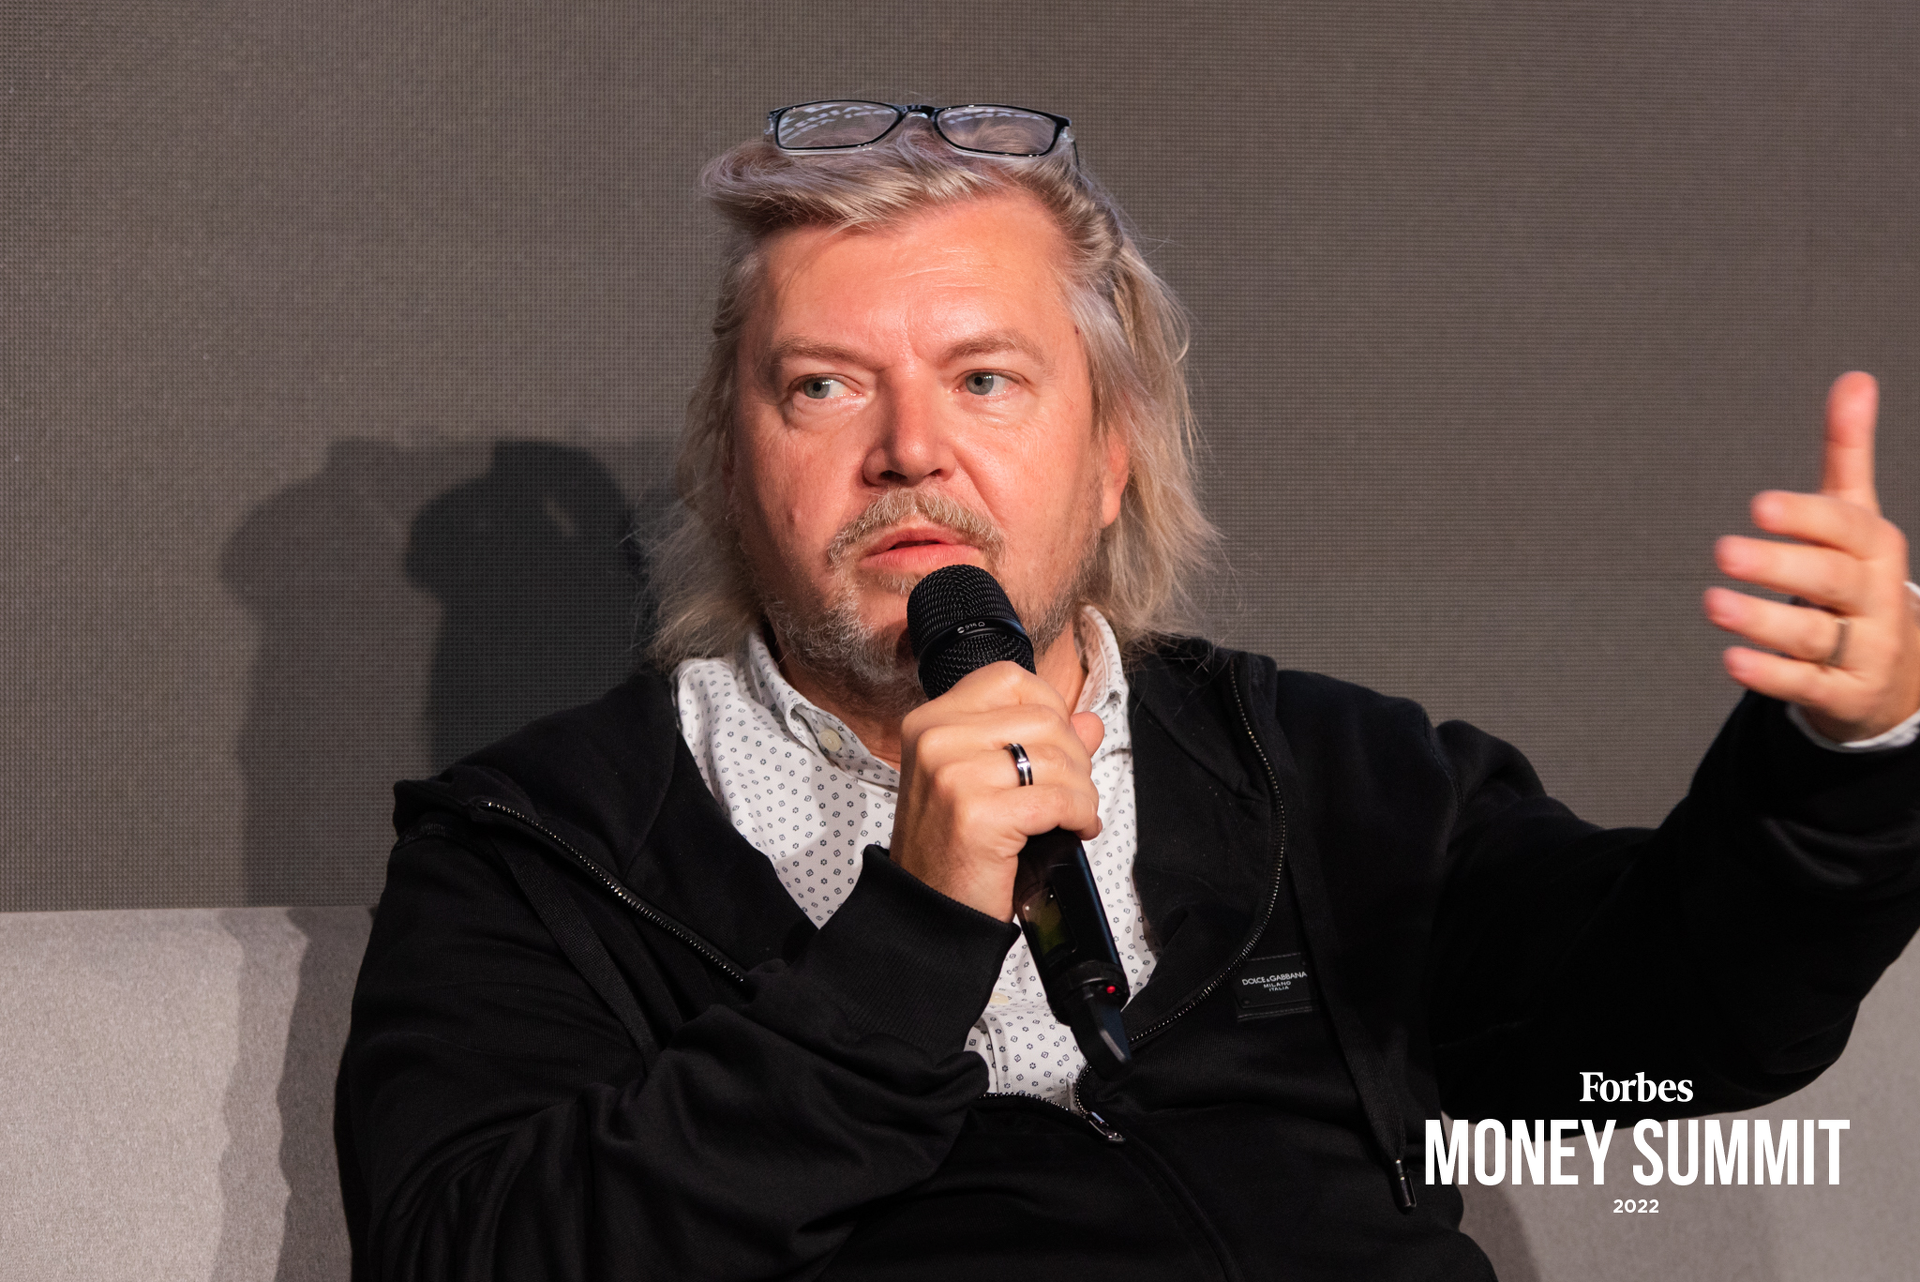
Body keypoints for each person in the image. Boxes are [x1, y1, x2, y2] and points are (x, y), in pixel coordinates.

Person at [334, 103, 1920, 1281]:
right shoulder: (539, 851)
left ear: (1113, 456)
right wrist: (914, 935)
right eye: (823, 386)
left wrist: (1848, 756)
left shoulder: (1333, 774)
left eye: (985, 378)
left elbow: (1678, 1022)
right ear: (732, 464)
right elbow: (468, 1252)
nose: (908, 450)